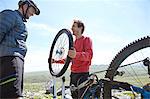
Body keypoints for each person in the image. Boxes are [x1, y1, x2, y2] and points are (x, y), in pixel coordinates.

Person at [0, 0, 40, 98]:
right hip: (10, 59)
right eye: (32, 9)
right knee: (13, 95)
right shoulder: (11, 15)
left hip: (13, 59)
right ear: (25, 5)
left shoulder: (19, 20)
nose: (33, 14)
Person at [68, 20, 93, 98]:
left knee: (83, 97)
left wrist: (76, 54)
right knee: (74, 97)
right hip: (73, 75)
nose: (71, 28)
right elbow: (69, 59)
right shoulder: (73, 44)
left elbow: (89, 55)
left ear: (80, 28)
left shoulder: (86, 39)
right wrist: (55, 61)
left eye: (74, 26)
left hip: (82, 74)